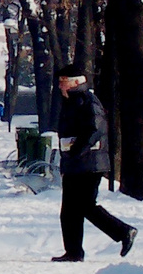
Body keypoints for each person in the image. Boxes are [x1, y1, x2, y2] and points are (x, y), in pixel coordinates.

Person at [51, 65, 136, 262]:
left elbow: (95, 129)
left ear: (76, 82)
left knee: (85, 206)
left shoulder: (87, 100)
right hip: (75, 163)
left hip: (89, 163)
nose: (60, 85)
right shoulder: (71, 102)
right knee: (69, 211)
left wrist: (77, 149)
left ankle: (124, 232)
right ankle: (73, 252)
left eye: (63, 81)